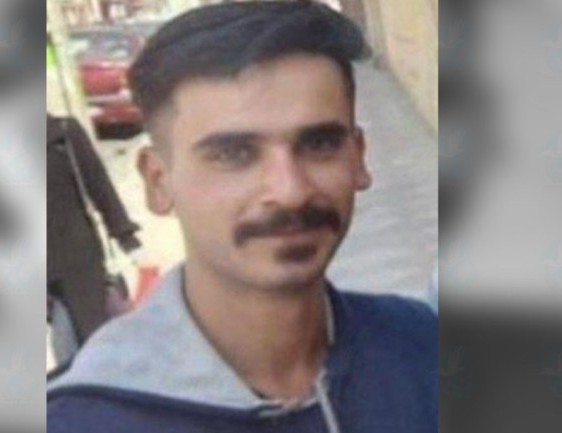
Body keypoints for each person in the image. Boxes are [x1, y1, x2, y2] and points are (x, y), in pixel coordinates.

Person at [48, 2, 437, 432]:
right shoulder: (81, 418)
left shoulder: (423, 347)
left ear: (359, 158)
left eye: (320, 144)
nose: (290, 191)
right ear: (158, 181)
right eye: (234, 154)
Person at [47, 114, 141, 344]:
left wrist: (124, 232)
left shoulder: (63, 132)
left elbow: (97, 181)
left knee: (95, 336)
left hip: (79, 258)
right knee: (63, 341)